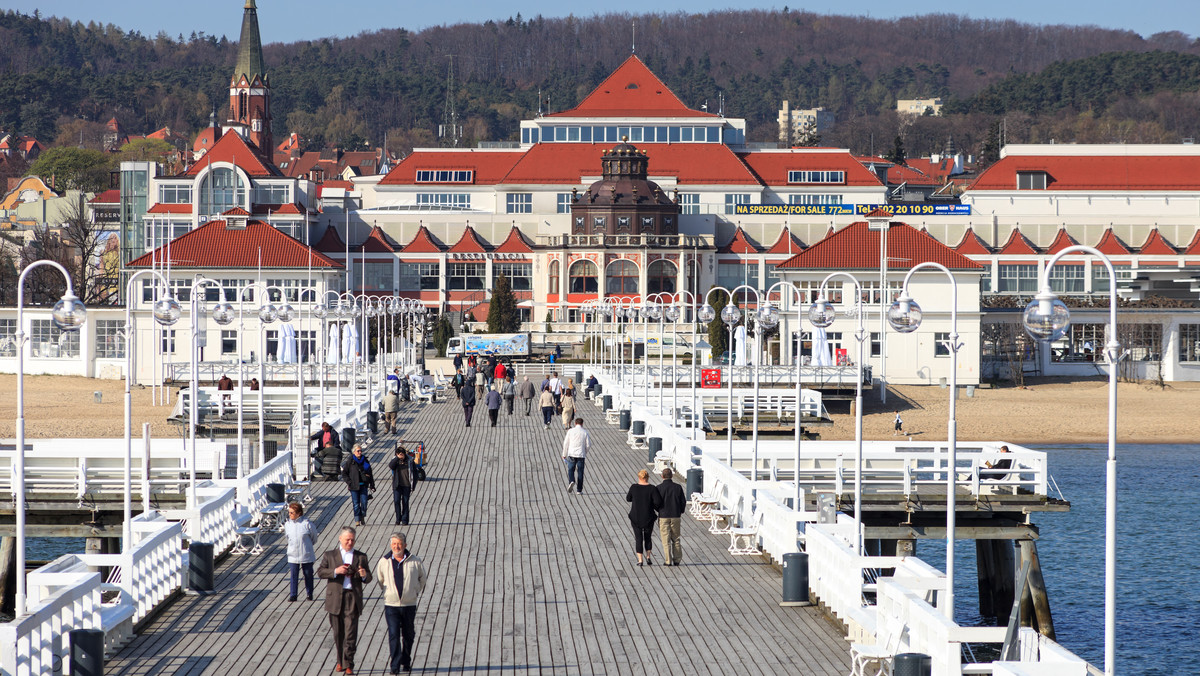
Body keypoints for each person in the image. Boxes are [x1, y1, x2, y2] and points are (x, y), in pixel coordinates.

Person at [317, 527, 372, 675]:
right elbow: (321, 571)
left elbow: (368, 578)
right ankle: (340, 660)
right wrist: (336, 571)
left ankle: (349, 663)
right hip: (335, 598)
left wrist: (363, 575)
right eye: (347, 539)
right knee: (338, 632)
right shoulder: (330, 555)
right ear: (340, 539)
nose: (350, 542)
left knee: (350, 633)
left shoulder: (361, 557)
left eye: (352, 540)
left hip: (352, 597)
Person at [375, 532, 427, 674]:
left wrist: (415, 591)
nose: (396, 546)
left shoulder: (415, 561)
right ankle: (395, 666)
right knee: (393, 634)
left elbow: (422, 579)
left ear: (405, 545)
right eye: (393, 544)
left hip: (409, 604)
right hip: (391, 605)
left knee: (408, 634)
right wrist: (388, 592)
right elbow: (380, 580)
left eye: (399, 544)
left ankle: (406, 660)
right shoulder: (384, 561)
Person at [626, 469, 663, 566]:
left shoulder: (634, 487)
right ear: (647, 478)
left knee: (638, 538)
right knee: (648, 537)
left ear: (639, 477)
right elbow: (658, 502)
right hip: (648, 516)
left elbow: (628, 498)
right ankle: (648, 557)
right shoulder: (652, 488)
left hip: (636, 517)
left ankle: (640, 560)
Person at [283, 502, 319, 601]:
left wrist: (307, 546)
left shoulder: (307, 524)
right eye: (289, 512)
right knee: (293, 575)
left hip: (305, 553)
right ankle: (293, 595)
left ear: (299, 513)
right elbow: (288, 537)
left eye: (292, 513)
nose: (289, 515)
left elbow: (314, 537)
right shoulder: (287, 525)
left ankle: (309, 593)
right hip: (293, 554)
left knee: (308, 574)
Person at [656, 468, 687, 566]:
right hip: (675, 516)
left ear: (662, 476)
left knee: (666, 540)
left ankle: (668, 561)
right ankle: (677, 560)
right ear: (672, 476)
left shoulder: (659, 488)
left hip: (664, 516)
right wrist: (680, 511)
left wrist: (659, 510)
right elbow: (683, 501)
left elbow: (656, 503)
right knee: (676, 539)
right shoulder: (678, 487)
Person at [341, 445, 375, 527]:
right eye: (358, 451)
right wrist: (349, 482)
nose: (360, 452)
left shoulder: (365, 460)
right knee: (356, 504)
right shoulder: (350, 461)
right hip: (354, 486)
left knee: (364, 503)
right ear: (354, 452)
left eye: (360, 451)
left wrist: (372, 484)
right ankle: (357, 520)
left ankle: (362, 515)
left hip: (364, 485)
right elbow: (344, 473)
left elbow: (370, 473)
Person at [561, 417, 590, 494]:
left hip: (571, 453)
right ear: (582, 424)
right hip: (581, 454)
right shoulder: (585, 432)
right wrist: (584, 452)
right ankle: (579, 490)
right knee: (580, 472)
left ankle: (572, 481)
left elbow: (566, 443)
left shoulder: (570, 431)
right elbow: (588, 445)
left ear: (575, 423)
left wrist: (564, 454)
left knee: (571, 469)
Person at [389, 446, 415, 525]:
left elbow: (415, 473)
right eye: (399, 454)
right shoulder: (395, 461)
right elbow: (391, 466)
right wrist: (397, 458)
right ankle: (398, 518)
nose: (401, 455)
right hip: (397, 485)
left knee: (405, 502)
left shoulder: (410, 460)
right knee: (396, 501)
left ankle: (405, 520)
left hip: (406, 484)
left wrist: (413, 484)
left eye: (402, 454)